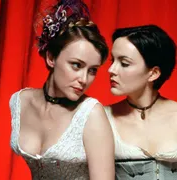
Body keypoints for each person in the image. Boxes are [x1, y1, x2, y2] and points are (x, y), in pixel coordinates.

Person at [9, 0, 114, 179]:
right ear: (51, 57)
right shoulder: (20, 101)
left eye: (92, 70)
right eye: (76, 65)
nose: (84, 79)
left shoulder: (90, 113)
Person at [105, 25, 177, 179]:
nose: (111, 70)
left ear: (153, 73)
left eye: (124, 63)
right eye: (113, 61)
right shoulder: (102, 118)